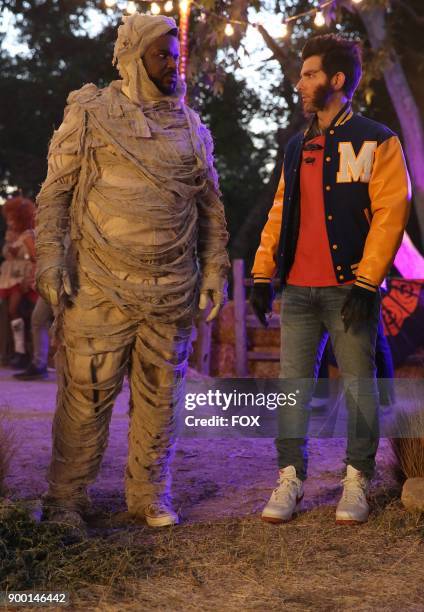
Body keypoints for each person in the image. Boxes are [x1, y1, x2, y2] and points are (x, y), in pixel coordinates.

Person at [35, 13, 229, 530]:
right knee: (86, 394)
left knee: (162, 396)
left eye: (175, 54)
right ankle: (66, 501)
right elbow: (55, 195)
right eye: (161, 54)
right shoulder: (92, 114)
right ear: (133, 57)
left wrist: (213, 269)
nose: (172, 63)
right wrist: (51, 260)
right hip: (97, 285)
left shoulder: (190, 126)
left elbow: (210, 207)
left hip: (171, 289)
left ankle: (149, 494)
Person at [250, 35, 411, 525]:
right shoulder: (297, 146)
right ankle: (290, 477)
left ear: (336, 80)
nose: (298, 84)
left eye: (309, 74)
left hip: (349, 291)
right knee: (292, 387)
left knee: (360, 388)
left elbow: (390, 213)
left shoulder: (377, 139)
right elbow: (281, 209)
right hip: (297, 291)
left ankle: (357, 479)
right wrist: (262, 272)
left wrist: (367, 283)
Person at [0, 197, 37, 368]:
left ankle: (23, 353)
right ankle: (20, 351)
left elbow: (35, 257)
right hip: (11, 276)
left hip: (23, 277)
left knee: (16, 310)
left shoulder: (28, 235)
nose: (9, 221)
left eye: (12, 217)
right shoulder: (14, 234)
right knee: (15, 312)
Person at [13, 297, 53, 380]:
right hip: (51, 285)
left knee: (39, 320)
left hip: (71, 286)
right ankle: (39, 364)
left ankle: (40, 364)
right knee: (38, 320)